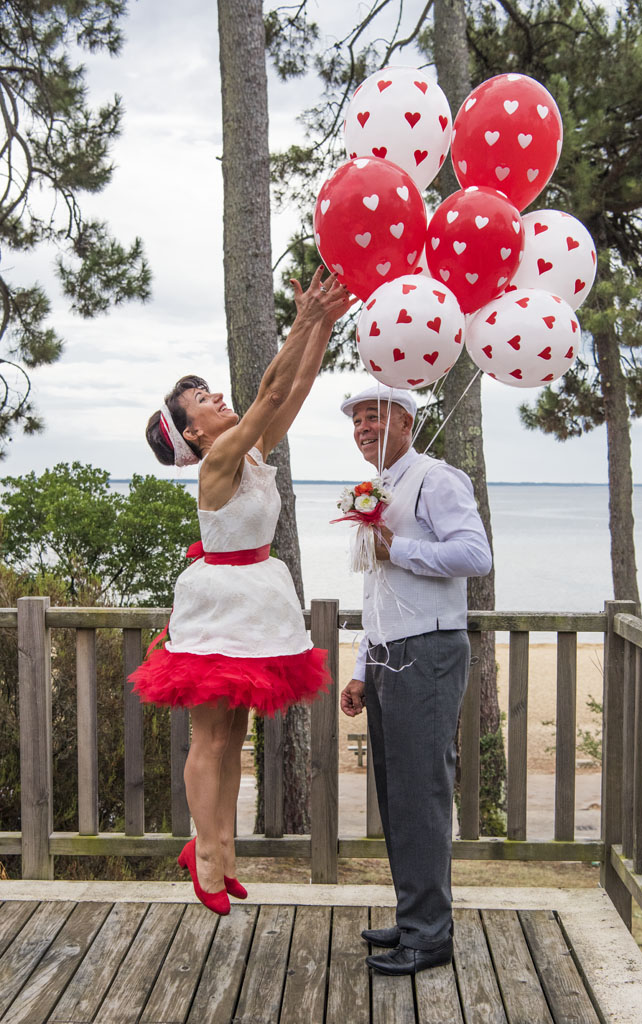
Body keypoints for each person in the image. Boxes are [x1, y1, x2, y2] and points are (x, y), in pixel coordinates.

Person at [130, 267, 353, 915]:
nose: (216, 396)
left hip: (254, 597)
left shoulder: (250, 452)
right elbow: (270, 389)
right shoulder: (220, 463)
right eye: (202, 399)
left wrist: (323, 326)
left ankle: (220, 847)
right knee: (210, 737)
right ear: (193, 435)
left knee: (234, 735)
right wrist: (304, 318)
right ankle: (205, 853)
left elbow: (295, 388)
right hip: (219, 604)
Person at [339, 383, 492, 975]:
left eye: (374, 416)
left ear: (406, 420)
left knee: (423, 792)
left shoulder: (436, 478)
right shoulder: (382, 486)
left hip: (428, 649)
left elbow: (475, 556)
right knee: (397, 793)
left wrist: (397, 548)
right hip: (387, 653)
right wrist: (360, 667)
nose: (363, 428)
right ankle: (414, 918)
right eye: (357, 420)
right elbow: (378, 587)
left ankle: (430, 936)